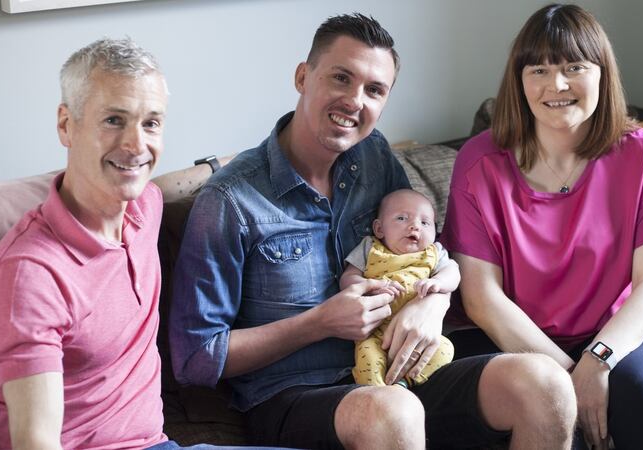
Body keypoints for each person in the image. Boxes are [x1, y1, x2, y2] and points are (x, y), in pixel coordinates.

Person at [170, 13, 577, 450]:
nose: (354, 100)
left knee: (545, 382)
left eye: (374, 90)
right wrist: (318, 324)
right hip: (293, 395)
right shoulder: (230, 201)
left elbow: (424, 249)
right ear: (303, 77)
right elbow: (196, 359)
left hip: (403, 371)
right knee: (391, 411)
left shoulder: (374, 156)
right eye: (341, 78)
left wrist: (435, 302)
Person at [0, 38, 281, 450]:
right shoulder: (30, 274)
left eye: (151, 123)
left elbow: (161, 184)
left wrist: (241, 161)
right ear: (66, 124)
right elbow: (36, 442)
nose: (137, 146)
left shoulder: (142, 207)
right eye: (114, 120)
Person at [440, 4, 643, 450]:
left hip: (611, 331)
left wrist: (598, 359)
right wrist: (569, 377)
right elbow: (481, 299)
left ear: (601, 74)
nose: (556, 85)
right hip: (505, 337)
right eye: (539, 70)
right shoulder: (478, 163)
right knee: (525, 403)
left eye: (574, 66)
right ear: (519, 82)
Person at [341, 189, 458, 387]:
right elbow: (348, 278)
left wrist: (438, 284)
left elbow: (453, 273)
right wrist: (369, 287)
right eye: (402, 218)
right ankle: (379, 391)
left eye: (425, 222)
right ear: (379, 229)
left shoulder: (435, 252)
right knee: (367, 359)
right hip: (375, 333)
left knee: (445, 349)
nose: (415, 227)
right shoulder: (370, 247)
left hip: (420, 333)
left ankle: (405, 382)